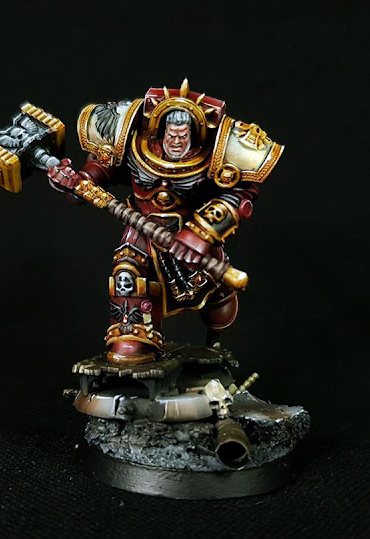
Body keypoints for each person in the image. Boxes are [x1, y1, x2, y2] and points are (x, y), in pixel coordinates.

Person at [47, 80, 284, 365]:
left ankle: (215, 315)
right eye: (171, 135)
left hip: (190, 235)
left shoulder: (214, 152)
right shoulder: (134, 142)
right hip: (141, 228)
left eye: (183, 136)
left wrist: (202, 234)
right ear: (160, 131)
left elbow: (240, 195)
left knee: (213, 300)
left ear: (195, 134)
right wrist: (80, 181)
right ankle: (132, 334)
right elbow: (102, 167)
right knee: (127, 272)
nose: (176, 142)